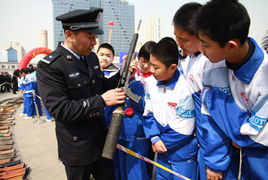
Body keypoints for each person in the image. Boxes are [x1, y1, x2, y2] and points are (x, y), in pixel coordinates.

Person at [36, 8, 126, 180]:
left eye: (95, 37)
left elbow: (100, 86)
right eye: (90, 37)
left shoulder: (90, 58)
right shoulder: (50, 66)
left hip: (100, 141)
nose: (94, 42)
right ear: (70, 35)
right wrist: (101, 101)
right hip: (77, 148)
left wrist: (122, 74)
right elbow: (61, 109)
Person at [194, 0, 268, 179]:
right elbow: (209, 117)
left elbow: (261, 130)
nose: (200, 49)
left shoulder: (264, 75)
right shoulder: (210, 66)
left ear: (231, 46)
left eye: (205, 44)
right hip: (224, 158)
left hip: (259, 158)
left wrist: (236, 136)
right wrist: (216, 161)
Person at [173, 3, 239, 180]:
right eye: (176, 37)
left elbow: (216, 117)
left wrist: (216, 162)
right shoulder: (191, 59)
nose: (179, 43)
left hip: (217, 152)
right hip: (206, 144)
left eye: (184, 39)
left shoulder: (212, 63)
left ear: (201, 36)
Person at [143, 37, 198, 180]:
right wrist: (154, 137)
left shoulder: (185, 87)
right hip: (160, 150)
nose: (151, 70)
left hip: (182, 153)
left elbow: (184, 127)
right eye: (151, 65)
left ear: (172, 67)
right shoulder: (151, 84)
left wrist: (162, 142)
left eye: (156, 67)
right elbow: (147, 113)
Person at [115, 41, 156, 180]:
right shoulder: (132, 74)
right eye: (142, 61)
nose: (144, 66)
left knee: (137, 169)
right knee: (125, 168)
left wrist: (131, 85)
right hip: (124, 129)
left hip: (139, 131)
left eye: (149, 63)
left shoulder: (155, 80)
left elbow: (144, 105)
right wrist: (126, 73)